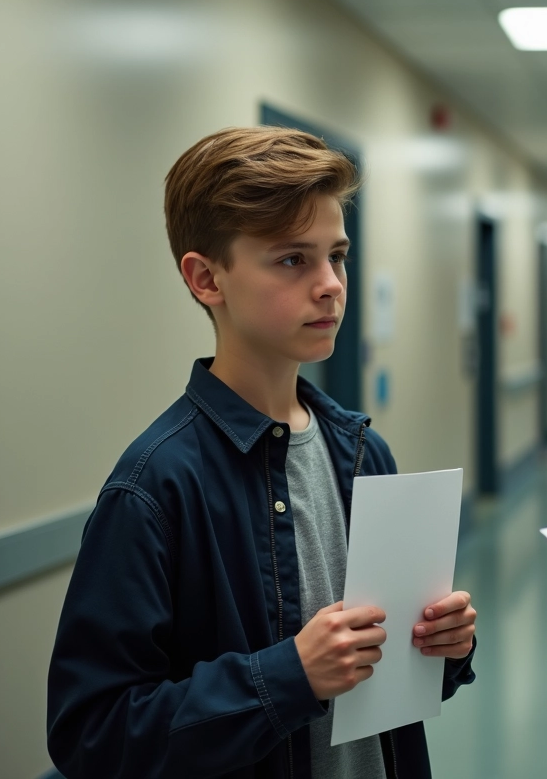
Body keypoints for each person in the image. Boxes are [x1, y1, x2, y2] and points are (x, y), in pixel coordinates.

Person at [47, 127, 477, 779]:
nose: (331, 284)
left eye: (337, 255)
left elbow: (393, 688)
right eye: (291, 260)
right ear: (206, 278)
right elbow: (95, 736)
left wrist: (445, 650)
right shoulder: (155, 488)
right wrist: (286, 678)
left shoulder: (362, 452)